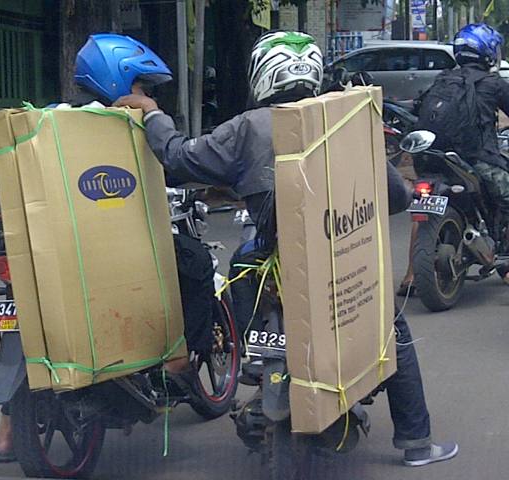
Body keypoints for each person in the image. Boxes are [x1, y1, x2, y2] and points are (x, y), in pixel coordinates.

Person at [115, 30, 458, 467]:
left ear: (262, 75)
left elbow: (179, 159)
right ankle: (416, 443)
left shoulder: (246, 127)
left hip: (266, 257)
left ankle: (250, 350)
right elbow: (395, 198)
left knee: (239, 263)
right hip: (339, 264)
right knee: (392, 333)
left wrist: (153, 114)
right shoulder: (345, 121)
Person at [0, 33, 208, 463]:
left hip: (7, 244)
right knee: (193, 263)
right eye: (141, 86)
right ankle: (175, 365)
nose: (146, 95)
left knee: (23, 318)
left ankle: (6, 432)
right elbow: (164, 168)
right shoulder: (115, 127)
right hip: (80, 246)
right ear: (119, 80)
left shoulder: (44, 119)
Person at [399, 23, 509, 292]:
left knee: (424, 207)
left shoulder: (444, 79)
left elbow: (417, 109)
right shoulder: (493, 83)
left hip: (431, 158)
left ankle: (410, 277)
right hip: (476, 159)